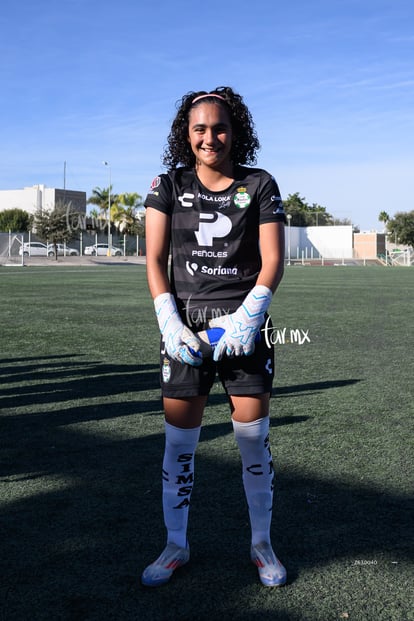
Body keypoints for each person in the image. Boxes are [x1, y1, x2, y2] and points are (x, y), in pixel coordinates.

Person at [141, 86, 287, 588]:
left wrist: (249, 316)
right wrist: (169, 319)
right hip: (186, 330)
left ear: (235, 130)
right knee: (179, 445)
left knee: (253, 444)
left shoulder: (260, 183)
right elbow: (154, 260)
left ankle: (262, 545)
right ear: (186, 133)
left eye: (219, 127)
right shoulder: (167, 184)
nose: (210, 137)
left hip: (246, 326)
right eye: (200, 128)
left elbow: (273, 261)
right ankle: (175, 545)